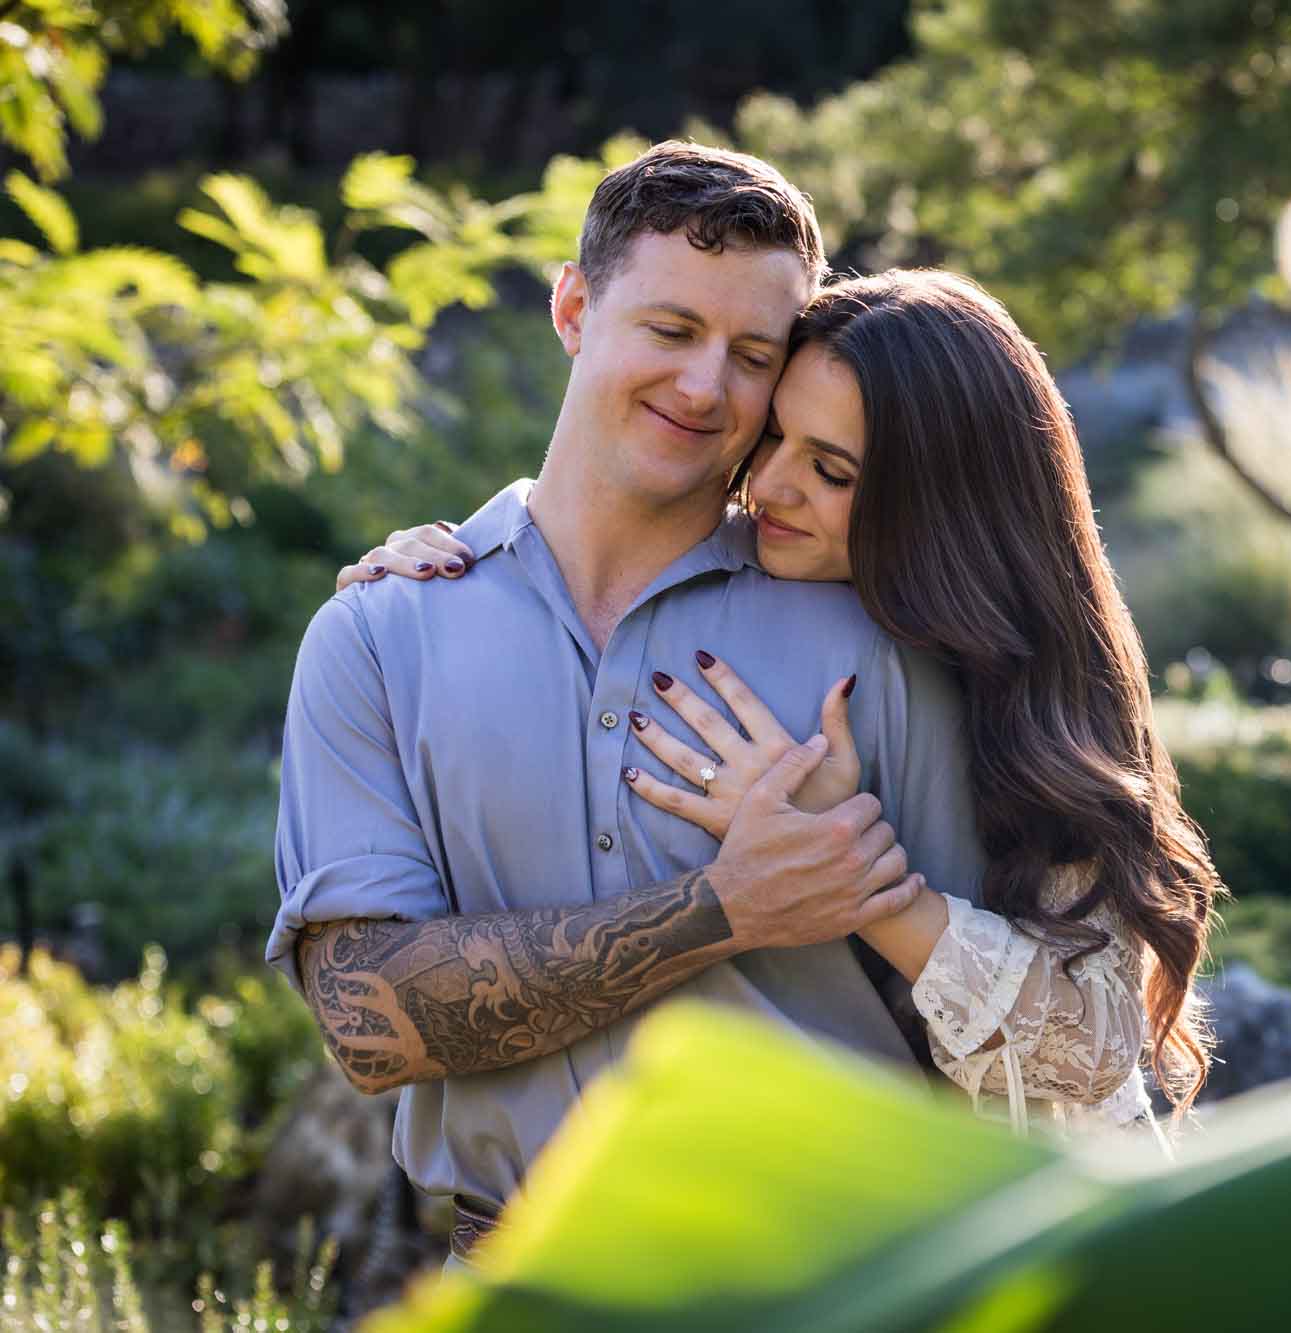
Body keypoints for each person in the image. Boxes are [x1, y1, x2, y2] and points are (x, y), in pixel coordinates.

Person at [269, 142, 990, 1269]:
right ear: (572, 307)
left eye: (752, 355)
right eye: (670, 329)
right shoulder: (380, 637)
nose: (704, 387)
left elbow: (985, 1014)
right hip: (524, 1279)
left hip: (837, 1280)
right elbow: (371, 1019)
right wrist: (723, 908)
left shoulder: (873, 638)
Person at [339, 269, 1224, 1144]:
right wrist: (455, 574)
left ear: (940, 506)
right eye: (773, 438)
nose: (769, 486)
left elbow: (1093, 1051)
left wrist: (848, 867)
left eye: (830, 470)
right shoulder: (748, 570)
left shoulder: (1036, 693)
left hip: (1039, 1208)